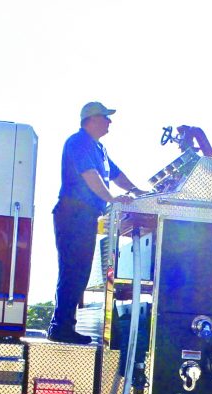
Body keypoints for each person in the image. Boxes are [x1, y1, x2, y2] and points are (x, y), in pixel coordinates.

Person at [48, 101, 143, 344]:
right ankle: (60, 327)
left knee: (80, 271)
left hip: (86, 215)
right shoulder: (78, 142)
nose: (110, 122)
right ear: (90, 119)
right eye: (106, 117)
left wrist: (139, 193)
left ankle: (64, 325)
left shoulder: (99, 148)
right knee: (72, 270)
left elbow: (116, 174)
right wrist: (112, 198)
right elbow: (90, 175)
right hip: (73, 213)